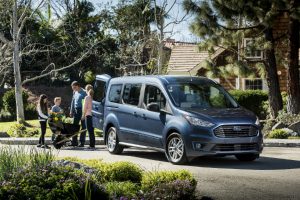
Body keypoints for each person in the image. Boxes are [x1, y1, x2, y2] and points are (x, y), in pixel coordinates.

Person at [70, 81, 87, 147]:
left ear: (78, 86)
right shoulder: (74, 92)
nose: (73, 89)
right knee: (74, 126)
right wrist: (71, 110)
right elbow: (73, 101)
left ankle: (82, 142)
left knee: (83, 127)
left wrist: (84, 113)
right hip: (76, 111)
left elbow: (86, 103)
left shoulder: (84, 92)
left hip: (82, 110)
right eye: (72, 87)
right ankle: (74, 142)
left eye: (74, 87)